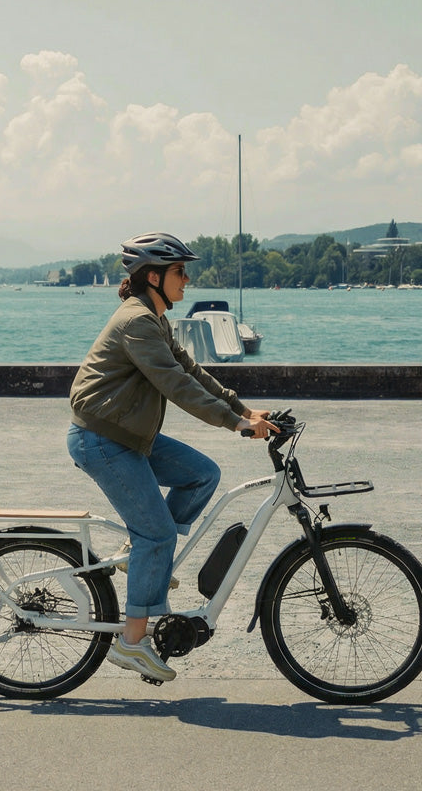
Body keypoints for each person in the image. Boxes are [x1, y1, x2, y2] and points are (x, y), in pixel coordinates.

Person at [67, 232, 278, 682]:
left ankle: (138, 552)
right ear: (153, 276)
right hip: (102, 440)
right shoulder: (136, 323)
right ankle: (131, 642)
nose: (188, 280)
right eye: (181, 272)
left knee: (202, 475)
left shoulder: (155, 319)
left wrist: (242, 408)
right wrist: (233, 423)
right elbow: (175, 386)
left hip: (130, 436)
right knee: (158, 534)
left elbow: (191, 370)